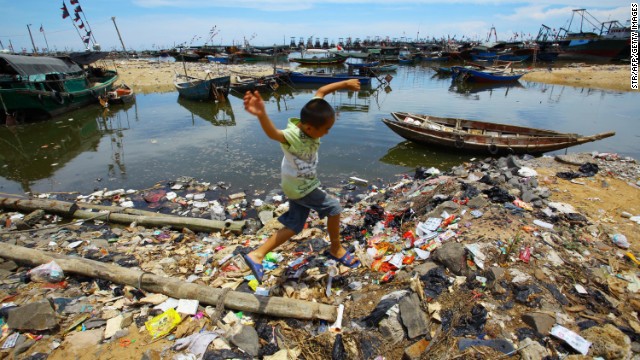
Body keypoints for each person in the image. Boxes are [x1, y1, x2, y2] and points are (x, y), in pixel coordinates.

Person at [242, 79, 362, 283]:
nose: (327, 133)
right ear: (308, 127)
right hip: (302, 187)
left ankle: (257, 255)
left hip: (294, 185)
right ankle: (336, 248)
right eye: (325, 129)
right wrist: (262, 115)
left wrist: (346, 84)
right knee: (334, 208)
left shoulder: (313, 115)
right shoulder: (294, 136)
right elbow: (274, 134)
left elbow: (322, 90)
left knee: (295, 225)